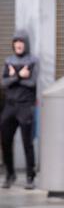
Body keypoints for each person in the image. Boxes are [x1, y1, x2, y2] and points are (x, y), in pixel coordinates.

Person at [1, 30, 38, 190]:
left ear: (26, 44)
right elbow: (4, 83)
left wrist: (13, 77)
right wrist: (19, 75)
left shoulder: (33, 61)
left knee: (27, 143)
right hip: (9, 106)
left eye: (21, 41)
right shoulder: (9, 60)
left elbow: (32, 82)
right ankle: (10, 174)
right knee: (5, 141)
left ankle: (30, 176)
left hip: (25, 106)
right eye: (16, 41)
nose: (18, 44)